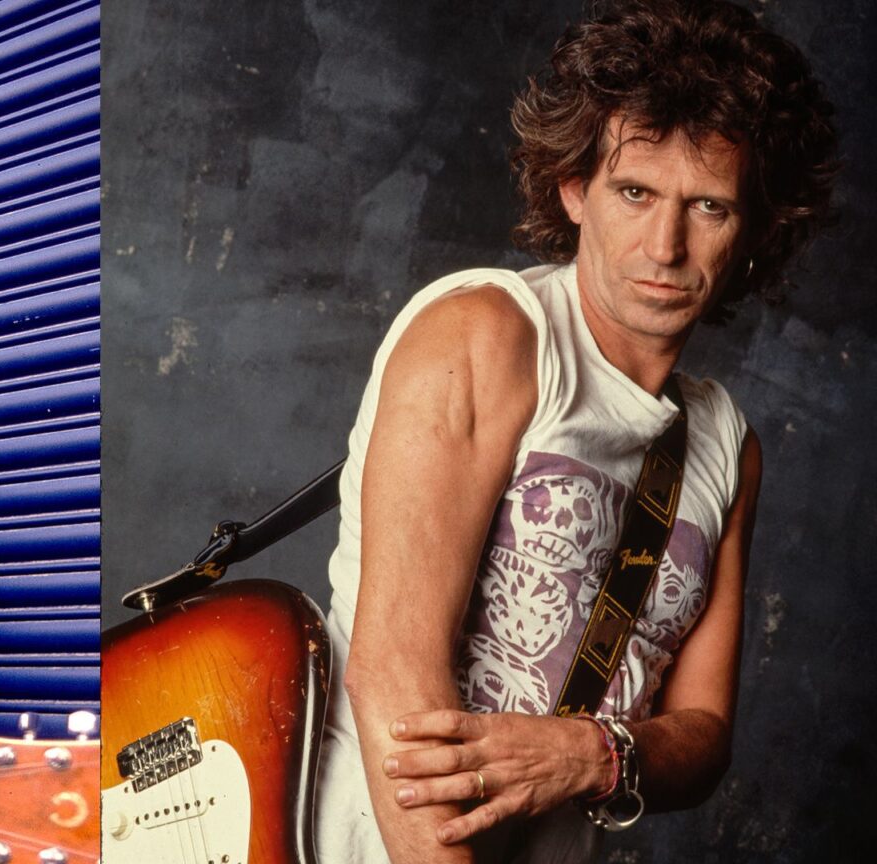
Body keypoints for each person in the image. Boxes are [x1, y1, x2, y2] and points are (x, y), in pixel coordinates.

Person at [314, 1, 837, 861]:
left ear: (754, 233)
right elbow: (394, 683)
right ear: (573, 188)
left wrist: (598, 755)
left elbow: (703, 734)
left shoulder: (725, 443)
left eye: (708, 207)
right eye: (634, 192)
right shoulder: (487, 334)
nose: (664, 246)